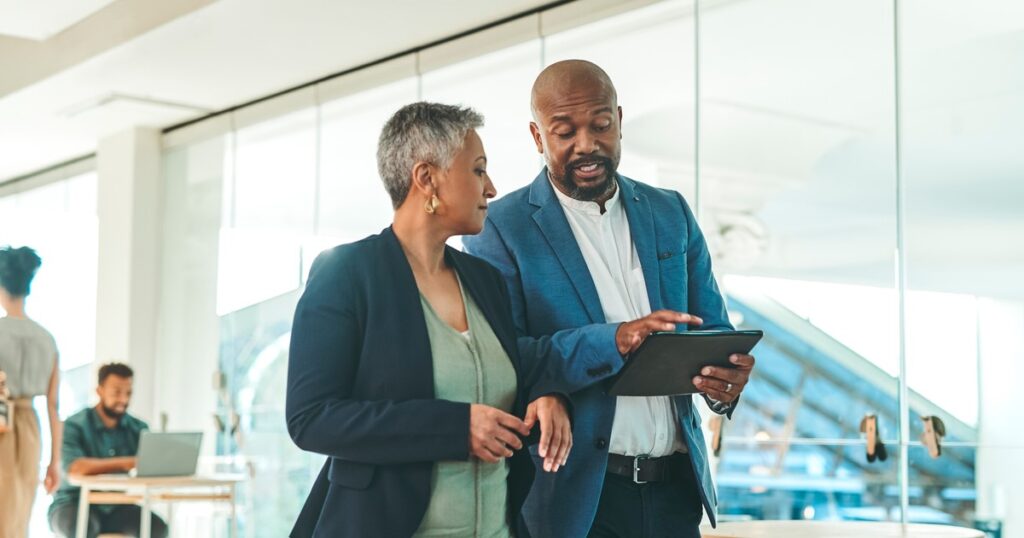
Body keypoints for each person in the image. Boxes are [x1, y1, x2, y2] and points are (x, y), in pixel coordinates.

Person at [463, 59, 758, 538]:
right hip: (577, 501)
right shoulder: (500, 226)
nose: (587, 145)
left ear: (618, 121)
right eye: (564, 132)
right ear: (538, 138)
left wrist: (726, 377)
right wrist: (615, 340)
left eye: (600, 125)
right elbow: (501, 357)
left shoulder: (671, 212)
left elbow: (713, 329)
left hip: (676, 492)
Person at [286, 102, 574, 537]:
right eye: (478, 170)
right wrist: (455, 428)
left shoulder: (486, 281)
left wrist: (548, 394)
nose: (491, 188)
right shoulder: (346, 274)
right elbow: (311, 418)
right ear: (427, 179)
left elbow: (511, 374)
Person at [48, 362, 168, 538]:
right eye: (117, 392)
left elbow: (152, 464)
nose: (123, 400)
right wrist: (129, 462)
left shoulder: (138, 428)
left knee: (157, 528)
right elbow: (75, 468)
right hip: (72, 503)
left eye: (128, 393)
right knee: (81, 527)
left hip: (117, 505)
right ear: (100, 390)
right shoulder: (74, 425)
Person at [0, 246, 60, 538]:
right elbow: (53, 406)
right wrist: (54, 462)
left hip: (2, 423)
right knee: (20, 513)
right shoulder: (46, 338)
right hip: (30, 427)